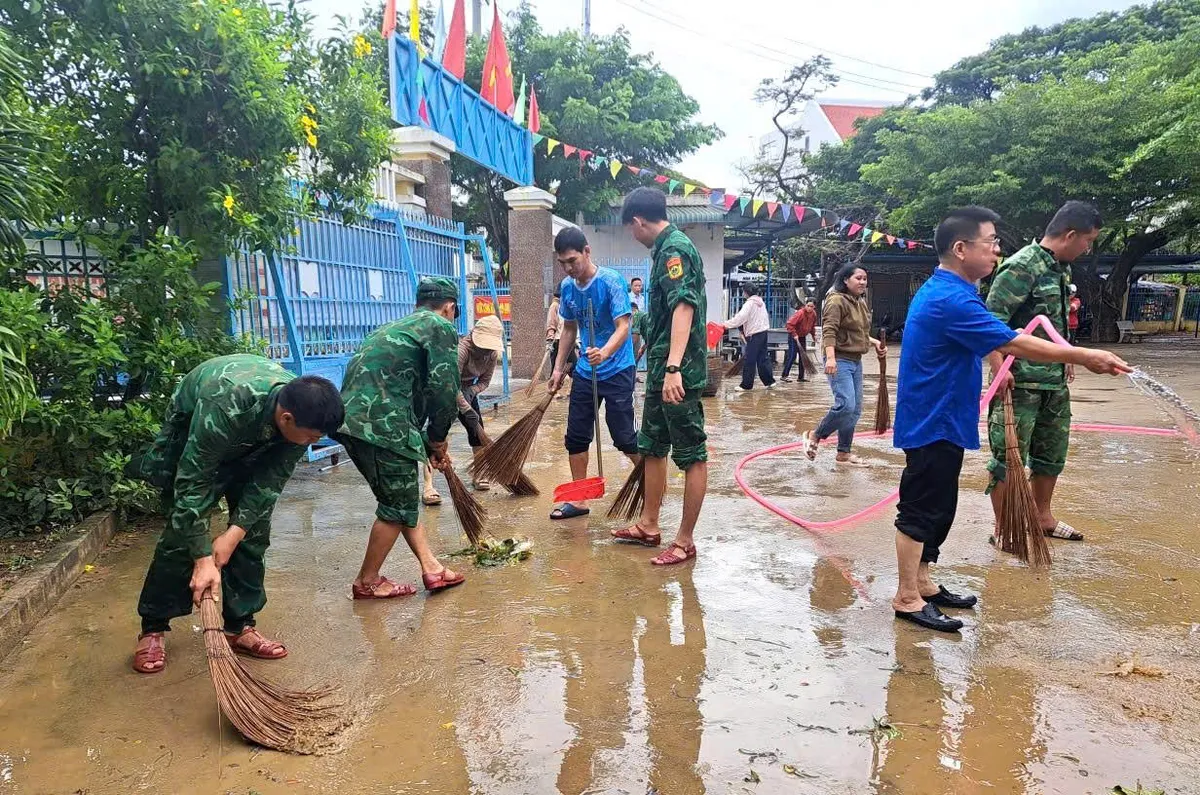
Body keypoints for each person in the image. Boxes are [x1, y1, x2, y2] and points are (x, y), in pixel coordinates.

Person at [892, 206, 1129, 632]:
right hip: (931, 420)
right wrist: (1083, 355)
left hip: (947, 417)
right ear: (961, 248)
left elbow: (994, 336)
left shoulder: (960, 291)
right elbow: (1014, 342)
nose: (997, 250)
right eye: (991, 242)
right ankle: (907, 597)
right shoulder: (949, 298)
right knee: (921, 507)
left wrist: (1007, 348)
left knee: (941, 505)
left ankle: (923, 582)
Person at [128, 354, 344, 673]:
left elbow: (269, 481)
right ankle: (153, 628)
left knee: (253, 533)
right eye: (312, 437)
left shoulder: (304, 418)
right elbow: (193, 483)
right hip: (197, 433)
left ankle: (240, 626)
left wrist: (234, 534)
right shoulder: (226, 403)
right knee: (181, 534)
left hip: (255, 439)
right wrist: (203, 559)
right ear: (286, 418)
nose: (313, 443)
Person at [336, 277, 466, 600]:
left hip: (353, 422)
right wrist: (437, 440)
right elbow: (444, 390)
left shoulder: (396, 328)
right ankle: (367, 581)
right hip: (382, 426)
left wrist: (424, 442)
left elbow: (399, 392)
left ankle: (432, 567)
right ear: (450, 308)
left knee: (402, 498)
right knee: (396, 506)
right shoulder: (439, 326)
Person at [984, 201, 1103, 544]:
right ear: (1070, 234)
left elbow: (1052, 321)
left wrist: (1066, 355)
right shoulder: (1021, 266)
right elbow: (990, 323)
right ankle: (1005, 528)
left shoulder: (1060, 269)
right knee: (1008, 457)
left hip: (1053, 382)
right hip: (1018, 380)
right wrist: (998, 367)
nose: (1088, 248)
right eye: (1088, 241)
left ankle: (1042, 517)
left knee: (1051, 453)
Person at [612, 187, 708, 565]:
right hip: (658, 369)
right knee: (652, 446)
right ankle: (649, 525)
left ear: (638, 221)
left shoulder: (675, 250)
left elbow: (684, 306)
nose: (631, 234)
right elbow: (663, 314)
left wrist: (673, 368)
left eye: (630, 228)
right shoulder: (662, 252)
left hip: (677, 373)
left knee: (691, 453)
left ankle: (684, 541)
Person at [547, 227, 640, 520]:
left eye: (572, 260)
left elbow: (623, 326)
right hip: (586, 371)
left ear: (587, 251)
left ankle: (649, 483)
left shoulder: (611, 281)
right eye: (562, 263)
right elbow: (569, 328)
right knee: (576, 436)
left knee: (624, 437)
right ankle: (579, 499)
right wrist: (558, 368)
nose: (568, 268)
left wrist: (606, 352)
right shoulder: (567, 287)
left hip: (618, 368)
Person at [804, 265, 885, 465]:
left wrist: (874, 342)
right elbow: (830, 330)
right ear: (846, 280)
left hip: (855, 360)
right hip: (839, 359)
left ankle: (843, 452)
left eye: (865, 278)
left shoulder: (860, 302)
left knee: (855, 410)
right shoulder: (836, 300)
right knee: (846, 405)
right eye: (858, 278)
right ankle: (815, 434)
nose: (863, 282)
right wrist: (830, 358)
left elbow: (857, 332)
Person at [456, 314, 505, 490]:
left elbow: (485, 382)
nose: (486, 350)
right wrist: (465, 408)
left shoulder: (491, 355)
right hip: (448, 389)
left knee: (478, 432)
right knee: (438, 435)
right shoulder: (462, 350)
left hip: (469, 389)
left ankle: (479, 474)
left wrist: (472, 391)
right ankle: (429, 485)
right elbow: (450, 383)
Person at [724, 283, 775, 391]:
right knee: (762, 358)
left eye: (743, 291)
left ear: (746, 292)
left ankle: (746, 385)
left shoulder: (750, 303)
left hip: (754, 334)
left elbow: (740, 318)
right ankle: (769, 381)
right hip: (763, 332)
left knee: (750, 359)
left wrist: (725, 325)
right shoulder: (760, 302)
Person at [782, 299, 817, 383]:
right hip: (793, 336)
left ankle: (801, 377)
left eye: (811, 306)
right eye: (808, 306)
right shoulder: (800, 313)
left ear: (814, 307)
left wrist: (814, 335)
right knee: (792, 356)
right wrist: (794, 335)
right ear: (805, 305)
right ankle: (784, 375)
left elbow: (812, 326)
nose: (809, 308)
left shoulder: (813, 314)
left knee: (803, 356)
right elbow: (789, 324)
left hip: (802, 336)